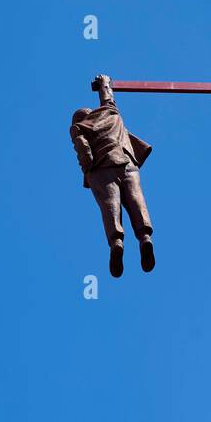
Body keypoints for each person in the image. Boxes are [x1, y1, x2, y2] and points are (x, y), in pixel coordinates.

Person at [70, 74, 155, 277]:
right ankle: (145, 238)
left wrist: (88, 169)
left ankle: (116, 242)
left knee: (111, 208)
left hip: (102, 170)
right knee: (136, 201)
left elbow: (84, 152)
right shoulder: (110, 114)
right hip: (127, 165)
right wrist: (104, 82)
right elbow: (108, 97)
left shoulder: (79, 128)